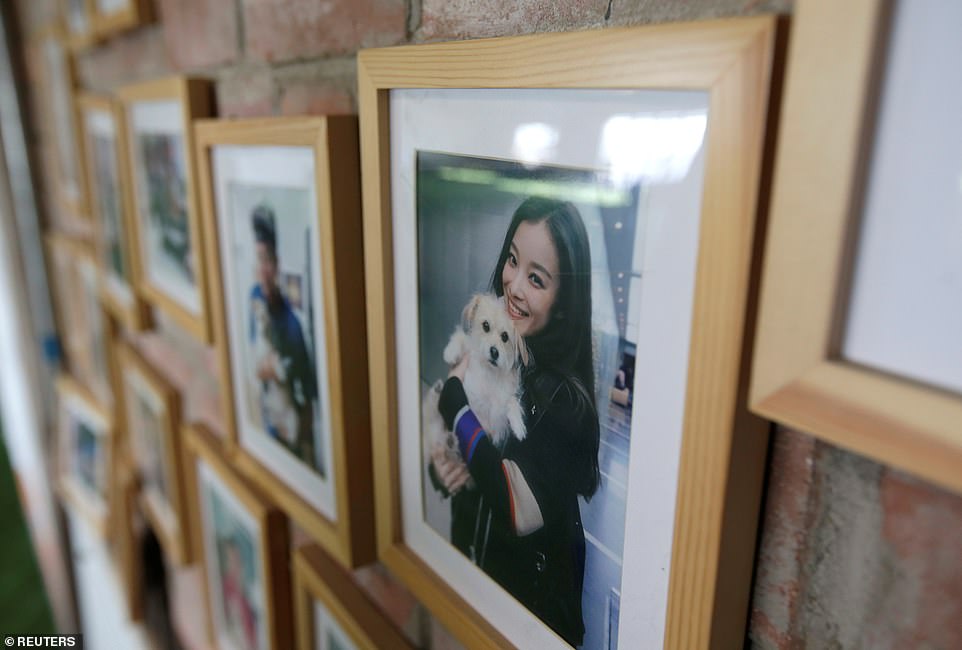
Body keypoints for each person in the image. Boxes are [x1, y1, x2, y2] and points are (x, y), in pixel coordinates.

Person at [430, 196, 601, 646]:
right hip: (479, 593)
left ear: (565, 301)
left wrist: (454, 401)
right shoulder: (499, 350)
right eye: (512, 260)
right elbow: (472, 452)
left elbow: (513, 504)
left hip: (529, 625)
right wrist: (445, 467)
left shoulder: (565, 401)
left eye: (537, 278)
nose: (514, 285)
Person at [248, 205, 318, 468]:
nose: (262, 269)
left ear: (276, 266)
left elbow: (308, 391)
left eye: (267, 260)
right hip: (268, 426)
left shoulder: (292, 323)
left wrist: (304, 441)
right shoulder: (254, 299)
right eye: (258, 261)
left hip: (292, 430)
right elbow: (253, 365)